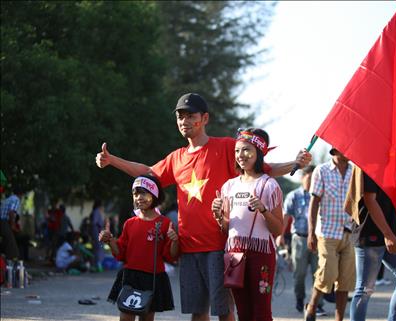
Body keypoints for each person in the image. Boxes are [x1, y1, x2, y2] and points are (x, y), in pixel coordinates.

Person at [95, 92, 312, 321]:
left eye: (190, 116)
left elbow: (264, 167)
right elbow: (148, 173)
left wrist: (295, 164)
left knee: (224, 310)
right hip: (189, 248)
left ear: (205, 118)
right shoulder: (176, 158)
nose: (184, 121)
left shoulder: (227, 147)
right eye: (180, 117)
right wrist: (112, 161)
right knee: (198, 313)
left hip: (219, 245)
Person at [212, 128, 283, 321]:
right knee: (242, 312)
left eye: (246, 150)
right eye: (237, 151)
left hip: (262, 255)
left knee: (261, 312)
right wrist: (218, 215)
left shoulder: (269, 185)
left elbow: (278, 229)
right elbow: (227, 229)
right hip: (234, 254)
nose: (240, 155)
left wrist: (263, 210)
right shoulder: (229, 186)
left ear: (259, 152)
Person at [99, 175, 179, 321]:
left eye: (143, 193)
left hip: (153, 279)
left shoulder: (165, 223)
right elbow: (121, 253)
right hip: (130, 277)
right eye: (135, 194)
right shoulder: (129, 223)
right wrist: (110, 240)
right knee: (125, 318)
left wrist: (174, 241)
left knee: (147, 318)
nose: (139, 198)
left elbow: (170, 256)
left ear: (154, 195)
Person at [348, 168, 396, 321]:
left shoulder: (394, 165)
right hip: (372, 234)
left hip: (391, 234)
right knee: (365, 290)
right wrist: (388, 235)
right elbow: (370, 200)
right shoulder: (369, 164)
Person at [304, 148, 355, 321]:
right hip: (327, 232)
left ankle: (339, 318)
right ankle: (312, 306)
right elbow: (314, 202)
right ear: (336, 150)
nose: (350, 151)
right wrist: (311, 233)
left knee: (345, 280)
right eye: (346, 148)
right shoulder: (322, 170)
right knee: (328, 274)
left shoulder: (355, 171)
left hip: (348, 232)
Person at [276, 165, 327, 315]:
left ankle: (316, 304)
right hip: (299, 239)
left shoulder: (321, 194)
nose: (312, 181)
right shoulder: (294, 196)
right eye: (310, 177)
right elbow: (286, 217)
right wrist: (280, 235)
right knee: (299, 274)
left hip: (319, 239)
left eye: (315, 178)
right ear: (302, 177)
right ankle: (299, 298)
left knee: (319, 273)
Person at [0, 187, 22, 260]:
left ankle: (4, 257)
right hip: (4, 221)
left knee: (6, 240)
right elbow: (11, 212)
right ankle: (12, 258)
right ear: (20, 194)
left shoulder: (8, 199)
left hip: (2, 221)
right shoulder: (16, 199)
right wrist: (13, 225)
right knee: (11, 242)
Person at [90, 199, 105, 272]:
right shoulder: (97, 211)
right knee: (98, 248)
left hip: (96, 231)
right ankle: (98, 265)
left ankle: (96, 265)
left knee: (97, 248)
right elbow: (95, 222)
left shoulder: (95, 211)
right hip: (97, 231)